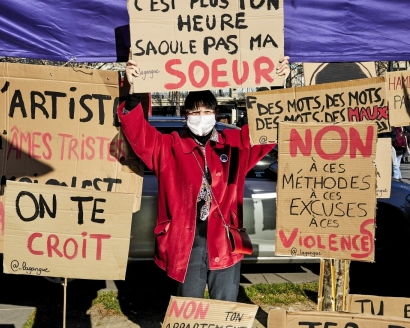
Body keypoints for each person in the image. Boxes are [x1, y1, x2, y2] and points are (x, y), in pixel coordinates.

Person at [118, 57, 290, 301]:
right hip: (185, 244)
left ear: (216, 113)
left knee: (225, 307)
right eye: (195, 112)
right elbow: (138, 133)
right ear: (186, 115)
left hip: (225, 242)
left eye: (207, 111)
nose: (201, 117)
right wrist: (132, 90)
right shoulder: (169, 147)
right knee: (188, 311)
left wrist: (277, 86)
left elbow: (265, 131)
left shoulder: (234, 145)